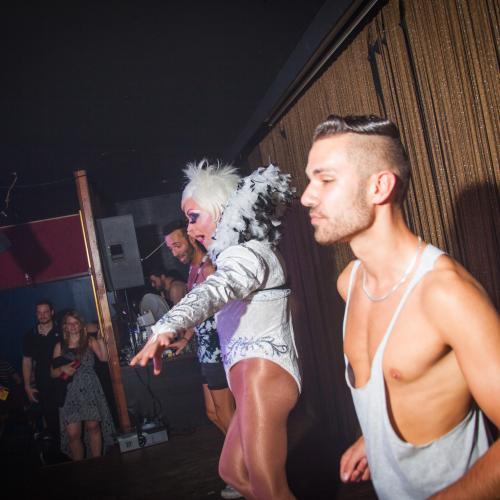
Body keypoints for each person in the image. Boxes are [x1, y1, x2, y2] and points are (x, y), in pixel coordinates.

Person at [300, 114, 499, 499]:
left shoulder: (445, 295)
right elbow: (407, 392)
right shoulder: (350, 283)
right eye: (311, 180)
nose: (307, 196)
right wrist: (374, 439)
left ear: (379, 187)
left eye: (325, 180)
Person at [132, 161, 301, 500]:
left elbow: (216, 289)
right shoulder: (233, 255)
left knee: (270, 488)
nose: (190, 229)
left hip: (264, 377)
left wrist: (169, 324)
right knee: (232, 472)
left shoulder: (247, 253)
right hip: (248, 380)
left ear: (221, 209)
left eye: (194, 217)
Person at [163, 219, 238, 499]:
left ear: (192, 239)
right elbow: (199, 311)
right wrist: (186, 338)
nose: (174, 252)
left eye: (177, 245)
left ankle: (244, 470)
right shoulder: (193, 270)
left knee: (226, 413)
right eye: (170, 249)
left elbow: (222, 307)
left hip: (218, 349)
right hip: (206, 350)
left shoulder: (208, 268)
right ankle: (243, 462)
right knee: (212, 413)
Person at [51, 310, 115, 460]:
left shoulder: (89, 341)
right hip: (69, 392)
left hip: (90, 388)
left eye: (76, 323)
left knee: (93, 427)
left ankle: (97, 462)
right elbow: (52, 373)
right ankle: (80, 467)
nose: (73, 326)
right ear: (65, 326)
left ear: (81, 325)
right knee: (73, 434)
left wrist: (100, 339)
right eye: (69, 323)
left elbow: (104, 358)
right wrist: (62, 369)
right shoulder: (60, 346)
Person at [22, 299, 61, 441]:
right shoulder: (30, 335)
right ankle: (57, 447)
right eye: (39, 313)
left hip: (63, 378)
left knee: (68, 415)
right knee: (50, 417)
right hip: (43, 380)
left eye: (45, 312)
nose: (42, 315)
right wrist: (27, 386)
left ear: (52, 312)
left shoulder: (62, 330)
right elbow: (27, 361)